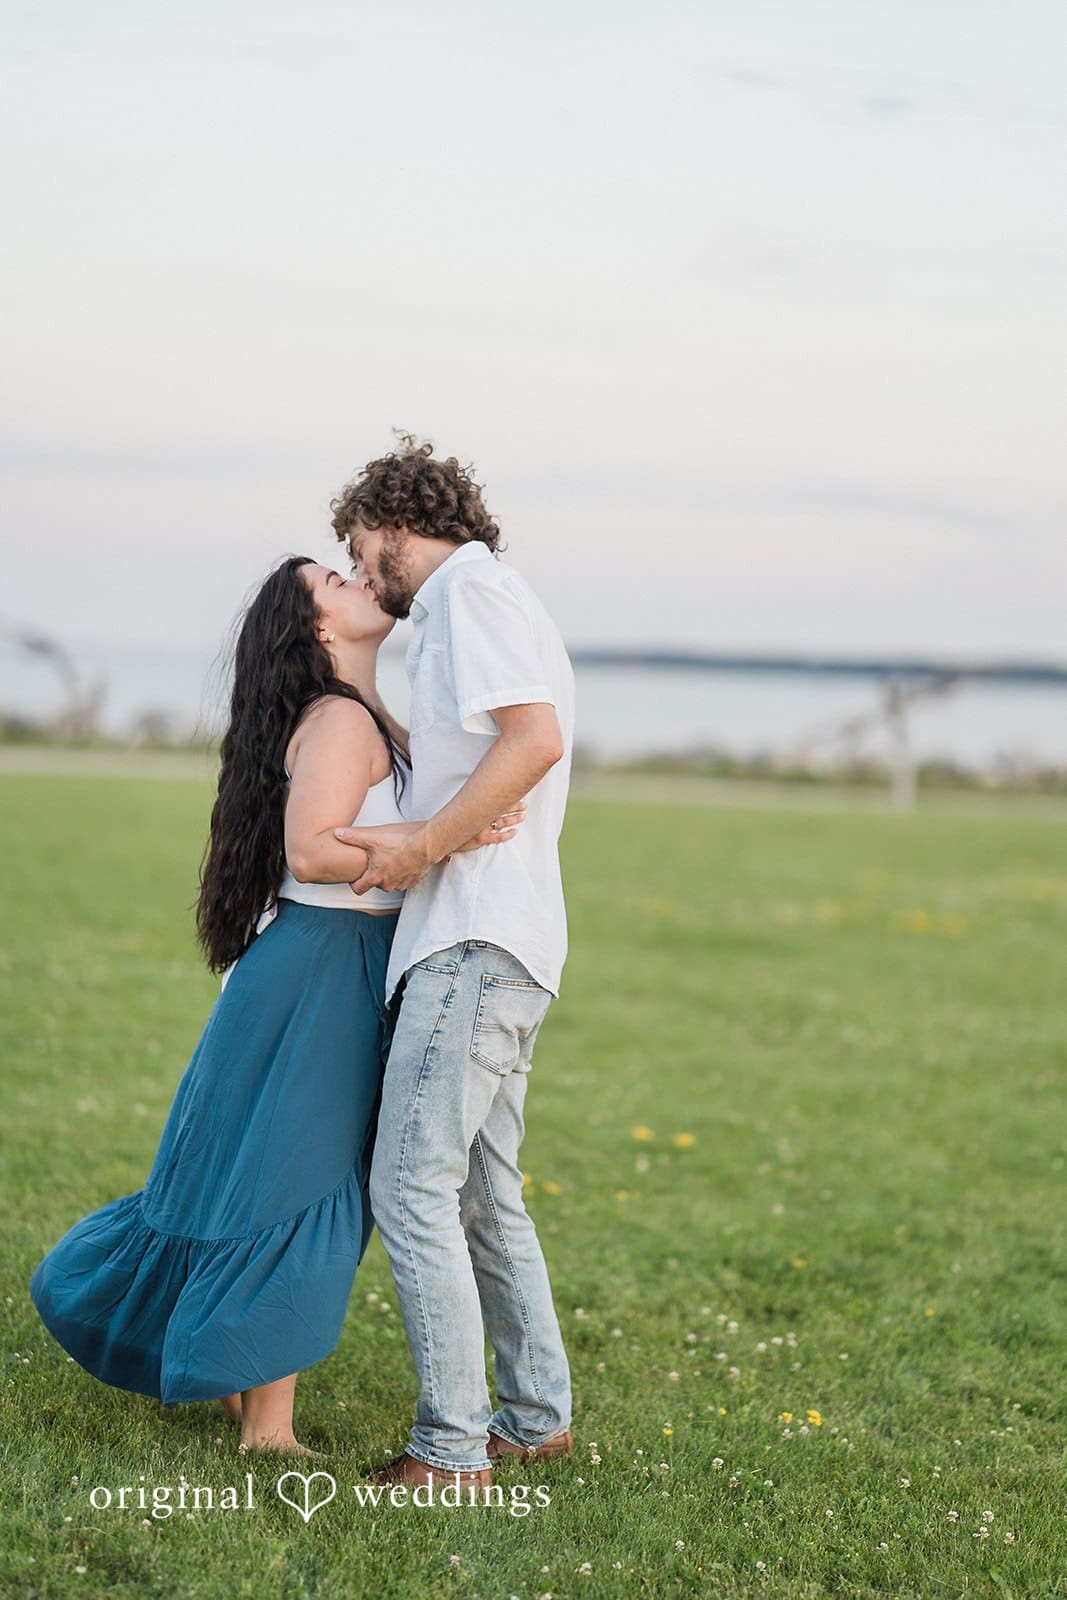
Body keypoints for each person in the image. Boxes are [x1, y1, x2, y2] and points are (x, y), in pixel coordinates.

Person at [28, 555, 519, 1455]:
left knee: (288, 1178)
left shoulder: (371, 718)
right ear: (317, 627)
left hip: (337, 966)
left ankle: (240, 1383)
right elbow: (314, 854)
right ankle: (269, 1431)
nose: (360, 577)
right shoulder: (338, 720)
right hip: (320, 971)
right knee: (296, 1184)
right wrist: (443, 837)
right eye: (334, 578)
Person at [329, 435, 576, 1495]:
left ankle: (450, 1450)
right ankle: (531, 1418)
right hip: (499, 940)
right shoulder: (473, 607)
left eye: (354, 546)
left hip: (475, 939)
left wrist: (423, 845)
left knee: (411, 1184)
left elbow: (533, 739)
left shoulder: (472, 596)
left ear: (389, 525)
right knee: (480, 1191)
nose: (357, 567)